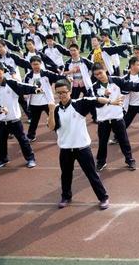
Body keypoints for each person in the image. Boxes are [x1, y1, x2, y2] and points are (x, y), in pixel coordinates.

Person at [47, 79, 112, 210]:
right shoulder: (56, 109)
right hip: (65, 149)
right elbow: (51, 127)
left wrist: (110, 101)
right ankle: (66, 196)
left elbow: (96, 100)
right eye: (58, 93)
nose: (61, 95)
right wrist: (51, 111)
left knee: (91, 174)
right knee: (65, 175)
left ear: (70, 92)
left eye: (64, 92)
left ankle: (103, 197)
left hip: (82, 148)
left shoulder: (78, 104)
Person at [91, 63, 139, 171]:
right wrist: (104, 96)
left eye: (100, 73)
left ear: (105, 69)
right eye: (96, 75)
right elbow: (96, 104)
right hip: (103, 120)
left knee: (124, 140)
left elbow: (131, 85)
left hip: (117, 117)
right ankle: (101, 162)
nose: (99, 76)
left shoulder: (116, 81)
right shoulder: (94, 87)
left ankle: (130, 160)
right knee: (102, 142)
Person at [0, 62, 40, 169]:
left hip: (14, 119)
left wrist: (35, 89)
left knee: (23, 140)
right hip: (0, 120)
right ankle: (3, 159)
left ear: (3, 71)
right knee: (1, 142)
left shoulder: (11, 83)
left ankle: (30, 158)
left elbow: (24, 87)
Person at [23, 56, 68, 142]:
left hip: (47, 102)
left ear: (41, 64)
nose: (36, 66)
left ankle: (62, 134)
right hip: (34, 103)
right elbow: (24, 87)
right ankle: (31, 135)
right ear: (31, 65)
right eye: (33, 64)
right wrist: (25, 94)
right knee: (34, 121)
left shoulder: (46, 73)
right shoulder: (28, 76)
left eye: (37, 64)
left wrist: (67, 78)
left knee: (55, 118)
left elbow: (57, 77)